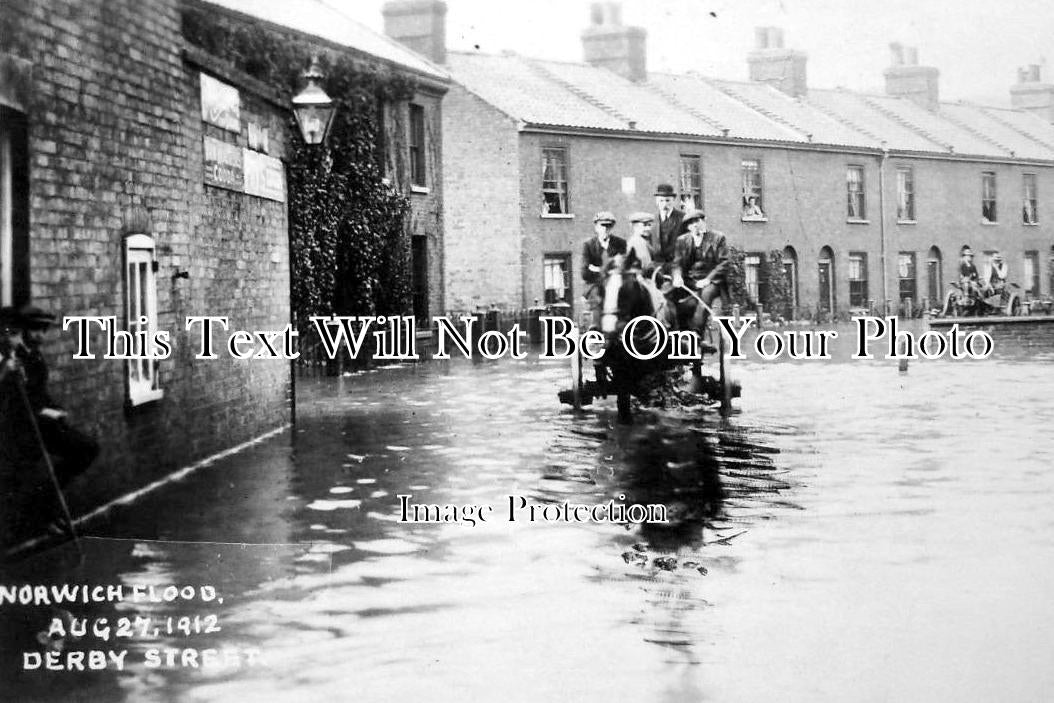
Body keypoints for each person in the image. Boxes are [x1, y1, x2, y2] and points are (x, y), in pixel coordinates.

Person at [3, 303, 99, 490]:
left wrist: (54, 409)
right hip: (23, 429)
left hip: (43, 423)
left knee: (88, 448)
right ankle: (44, 502)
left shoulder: (35, 356)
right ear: (22, 330)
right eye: (35, 329)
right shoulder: (14, 358)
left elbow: (39, 392)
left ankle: (47, 496)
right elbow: (14, 400)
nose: (40, 335)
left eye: (43, 330)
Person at [671, 209, 729, 333]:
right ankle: (675, 332)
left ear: (704, 221)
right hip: (690, 281)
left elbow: (724, 262)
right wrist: (677, 276)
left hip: (712, 281)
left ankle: (696, 332)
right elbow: (677, 263)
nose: (695, 225)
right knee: (673, 297)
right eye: (691, 223)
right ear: (688, 227)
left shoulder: (718, 238)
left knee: (705, 296)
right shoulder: (682, 240)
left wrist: (707, 279)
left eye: (698, 221)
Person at [581, 212, 627, 329]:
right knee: (597, 297)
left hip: (615, 282)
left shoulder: (620, 244)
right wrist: (606, 271)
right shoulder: (588, 245)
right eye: (602, 225)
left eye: (609, 226)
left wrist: (596, 269)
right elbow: (585, 273)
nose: (606, 229)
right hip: (595, 284)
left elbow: (623, 267)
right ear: (596, 227)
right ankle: (596, 329)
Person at [653, 184, 684, 269]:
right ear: (656, 202)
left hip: (678, 265)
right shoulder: (653, 220)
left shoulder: (683, 218)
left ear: (673, 200)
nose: (664, 204)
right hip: (657, 266)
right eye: (661, 201)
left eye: (668, 200)